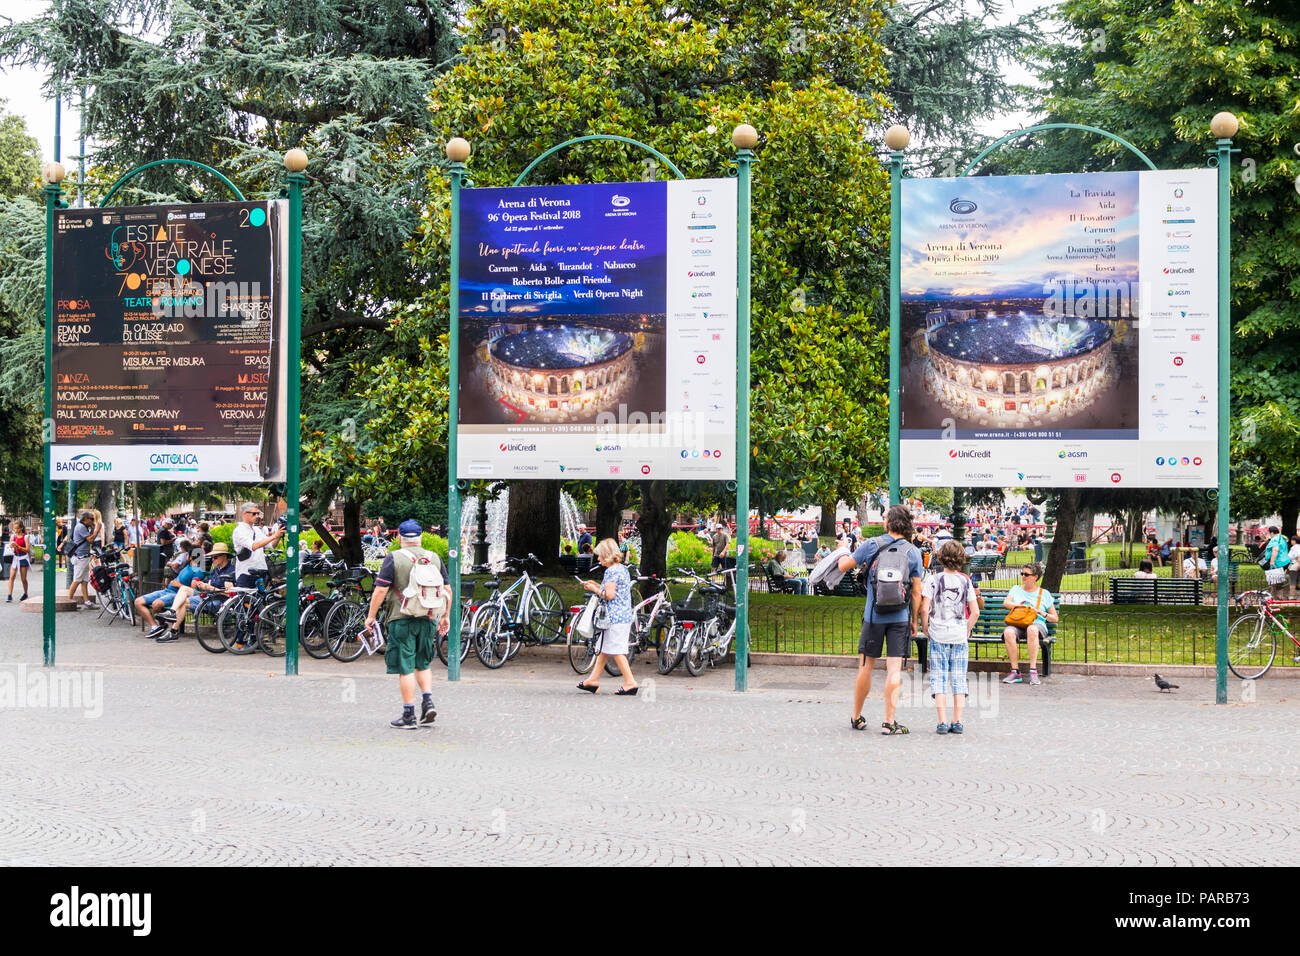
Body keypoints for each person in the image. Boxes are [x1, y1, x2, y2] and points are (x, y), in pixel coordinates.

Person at [837, 505, 924, 735]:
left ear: (888, 523)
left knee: (865, 667)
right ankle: (889, 721)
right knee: (894, 669)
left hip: (873, 616)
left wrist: (844, 549)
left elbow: (843, 566)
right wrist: (914, 620)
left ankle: (856, 716)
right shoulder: (913, 552)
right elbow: (916, 592)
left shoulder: (872, 544)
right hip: (900, 617)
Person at [366, 519, 450, 729]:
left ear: (400, 538)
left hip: (401, 619)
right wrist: (445, 616)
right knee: (423, 663)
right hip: (428, 618)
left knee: (406, 667)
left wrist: (371, 616)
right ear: (420, 537)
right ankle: (428, 700)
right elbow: (447, 591)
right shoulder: (435, 559)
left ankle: (408, 715)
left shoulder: (393, 558)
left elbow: (380, 590)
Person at [920, 541, 979, 735]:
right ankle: (958, 720)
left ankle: (942, 721)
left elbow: (924, 608)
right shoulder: (965, 581)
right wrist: (966, 630)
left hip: (938, 633)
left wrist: (926, 627)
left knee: (939, 677)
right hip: (958, 635)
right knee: (959, 678)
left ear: (941, 558)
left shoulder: (933, 580)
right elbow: (975, 611)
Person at [576, 537, 638, 695]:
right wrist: (596, 585)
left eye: (600, 555)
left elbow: (609, 595)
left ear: (607, 555)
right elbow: (616, 592)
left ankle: (630, 682)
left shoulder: (611, 571)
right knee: (603, 648)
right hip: (623, 614)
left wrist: (594, 590)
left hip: (614, 617)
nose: (598, 558)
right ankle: (593, 680)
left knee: (616, 650)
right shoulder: (622, 569)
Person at [157, 543, 237, 643]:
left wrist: (211, 588)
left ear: (224, 556)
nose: (213, 560)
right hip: (209, 596)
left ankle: (173, 629)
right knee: (183, 590)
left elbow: (229, 594)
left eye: (215, 557)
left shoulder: (231, 571)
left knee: (184, 599)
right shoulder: (216, 570)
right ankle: (172, 618)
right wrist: (203, 585)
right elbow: (209, 585)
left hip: (220, 600)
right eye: (212, 557)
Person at [1001, 562, 1058, 685]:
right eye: (1022, 573)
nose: (1023, 576)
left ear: (1035, 577)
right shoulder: (1015, 589)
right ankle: (1015, 672)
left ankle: (1033, 671)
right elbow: (1006, 603)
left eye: (1026, 574)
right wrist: (1021, 605)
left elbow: (1055, 618)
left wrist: (1042, 613)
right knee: (1008, 632)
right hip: (1018, 622)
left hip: (1036, 623)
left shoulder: (1044, 594)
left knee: (1032, 629)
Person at [136, 555, 205, 640]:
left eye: (187, 554)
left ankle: (163, 625)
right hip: (166, 590)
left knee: (156, 604)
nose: (185, 555)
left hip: (177, 594)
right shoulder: (187, 567)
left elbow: (192, 591)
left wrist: (178, 585)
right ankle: (155, 627)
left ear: (190, 557)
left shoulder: (198, 571)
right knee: (138, 602)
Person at [232, 502, 284, 588]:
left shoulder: (256, 530)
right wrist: (274, 536)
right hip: (246, 573)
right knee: (247, 600)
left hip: (260, 572)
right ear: (245, 514)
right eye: (254, 514)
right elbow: (253, 546)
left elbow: (271, 545)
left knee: (261, 599)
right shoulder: (239, 530)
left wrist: (278, 535)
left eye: (258, 513)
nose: (257, 516)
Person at [67, 511, 97, 608]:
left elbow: (90, 539)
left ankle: (87, 601)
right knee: (77, 580)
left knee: (84, 581)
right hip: (80, 557)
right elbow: (90, 539)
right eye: (91, 519)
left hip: (84, 557)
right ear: (85, 519)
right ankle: (69, 601)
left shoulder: (84, 527)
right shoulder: (80, 527)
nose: (93, 521)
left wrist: (92, 529)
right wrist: (97, 530)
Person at [1262, 525, 1290, 599]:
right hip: (1284, 561)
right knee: (1278, 579)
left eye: (1269, 533)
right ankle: (1277, 596)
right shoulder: (1282, 538)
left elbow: (1275, 549)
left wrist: (1272, 561)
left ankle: (1273, 596)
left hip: (1277, 562)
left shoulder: (1275, 539)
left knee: (1274, 580)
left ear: (1271, 533)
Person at [6, 520, 31, 602]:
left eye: (17, 528)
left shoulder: (26, 537)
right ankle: (9, 595)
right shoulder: (13, 536)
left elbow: (27, 550)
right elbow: (10, 546)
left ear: (21, 528)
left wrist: (18, 547)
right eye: (14, 528)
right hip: (15, 558)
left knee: (23, 579)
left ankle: (25, 593)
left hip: (23, 558)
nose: (15, 530)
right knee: (11, 576)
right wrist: (11, 546)